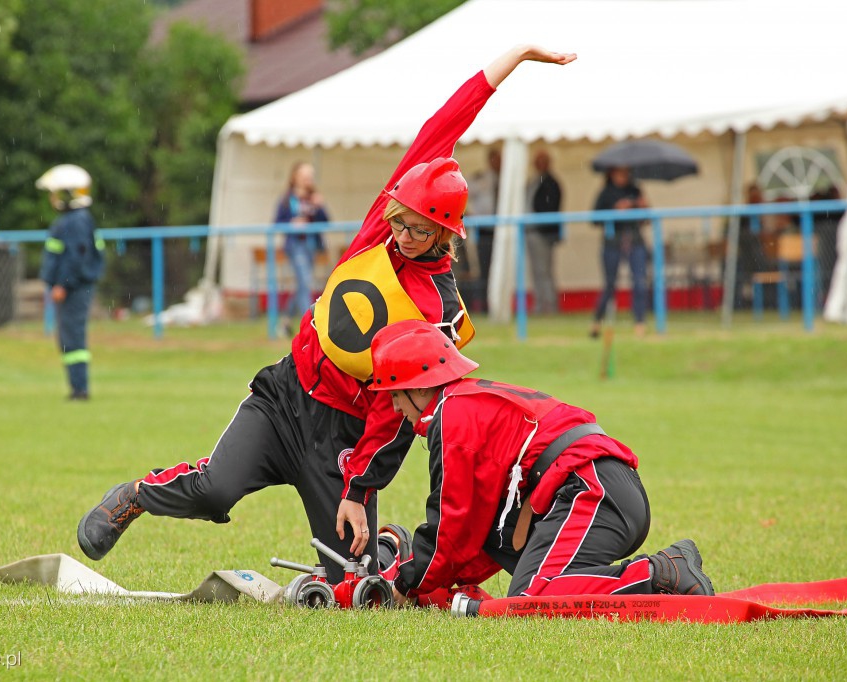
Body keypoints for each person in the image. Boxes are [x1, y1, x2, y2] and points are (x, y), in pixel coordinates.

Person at [75, 44, 578, 582]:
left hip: (342, 438)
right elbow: (443, 126)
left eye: (420, 230)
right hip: (285, 396)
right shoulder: (376, 234)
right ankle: (133, 497)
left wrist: (360, 488)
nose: (404, 237)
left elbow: (397, 411)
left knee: (353, 582)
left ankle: (386, 543)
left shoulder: (439, 312)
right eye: (400, 222)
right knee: (216, 488)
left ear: (446, 233)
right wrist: (514, 58)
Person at [367, 319, 714, 604]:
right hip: (601, 488)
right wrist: (433, 583)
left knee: (531, 598)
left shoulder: (452, 416)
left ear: (421, 387)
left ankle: (660, 573)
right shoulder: (466, 402)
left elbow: (450, 525)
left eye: (397, 394)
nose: (396, 408)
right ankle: (654, 573)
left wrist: (405, 585)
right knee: (527, 591)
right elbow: (481, 529)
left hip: (591, 491)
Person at [37, 164, 105, 401]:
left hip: (73, 288)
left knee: (73, 337)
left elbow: (75, 257)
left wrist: (62, 285)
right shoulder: (74, 220)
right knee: (68, 337)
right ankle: (77, 387)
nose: (53, 198)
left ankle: (80, 389)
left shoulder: (75, 221)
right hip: (72, 286)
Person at [589, 166, 650, 338]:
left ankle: (639, 323)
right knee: (609, 284)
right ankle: (596, 322)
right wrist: (615, 210)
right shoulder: (606, 193)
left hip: (634, 240)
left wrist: (643, 207)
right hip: (612, 242)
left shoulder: (635, 190)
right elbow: (594, 219)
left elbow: (646, 219)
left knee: (639, 281)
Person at [275, 162, 328, 336]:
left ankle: (285, 322)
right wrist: (292, 224)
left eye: (310, 176)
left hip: (311, 245)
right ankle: (312, 328)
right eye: (305, 176)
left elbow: (326, 222)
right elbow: (277, 223)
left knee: (301, 285)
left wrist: (321, 207)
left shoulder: (314, 198)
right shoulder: (287, 199)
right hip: (295, 245)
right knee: (306, 282)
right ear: (295, 177)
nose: (308, 179)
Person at [525, 149, 563, 314]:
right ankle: (541, 304)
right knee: (537, 271)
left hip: (542, 232)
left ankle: (549, 306)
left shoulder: (551, 183)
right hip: (532, 231)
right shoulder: (535, 181)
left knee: (544, 271)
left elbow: (550, 206)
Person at [465, 148, 502, 312]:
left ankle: (498, 302)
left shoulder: (507, 180)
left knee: (499, 268)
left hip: (502, 230)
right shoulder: (481, 178)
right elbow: (464, 193)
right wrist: (468, 214)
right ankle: (484, 305)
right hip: (484, 230)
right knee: (484, 268)